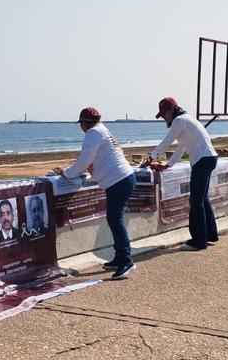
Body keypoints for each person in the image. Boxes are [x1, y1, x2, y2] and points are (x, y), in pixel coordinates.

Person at [55, 107, 136, 279]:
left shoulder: (93, 133)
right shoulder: (103, 130)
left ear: (84, 123)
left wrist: (65, 173)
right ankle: (120, 256)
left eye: (81, 124)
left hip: (118, 181)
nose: (81, 127)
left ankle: (126, 261)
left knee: (115, 220)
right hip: (123, 178)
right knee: (115, 219)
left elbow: (85, 161)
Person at [142, 97, 218, 251]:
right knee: (203, 199)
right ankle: (210, 234)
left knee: (196, 202)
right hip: (210, 158)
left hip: (202, 160)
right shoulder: (187, 120)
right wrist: (168, 165)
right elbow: (181, 148)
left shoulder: (179, 121)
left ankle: (198, 241)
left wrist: (150, 158)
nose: (163, 117)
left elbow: (166, 142)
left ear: (172, 110)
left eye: (164, 114)